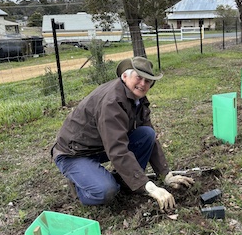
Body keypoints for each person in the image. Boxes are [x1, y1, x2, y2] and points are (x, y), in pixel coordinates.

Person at [51, 56, 194, 210]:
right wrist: (150, 187)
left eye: (148, 81)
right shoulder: (112, 102)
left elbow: (150, 138)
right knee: (106, 191)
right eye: (139, 78)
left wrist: (165, 175)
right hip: (74, 153)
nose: (143, 84)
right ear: (124, 76)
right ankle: (81, 187)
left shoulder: (137, 99)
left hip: (100, 146)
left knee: (147, 134)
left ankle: (128, 182)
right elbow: (117, 149)